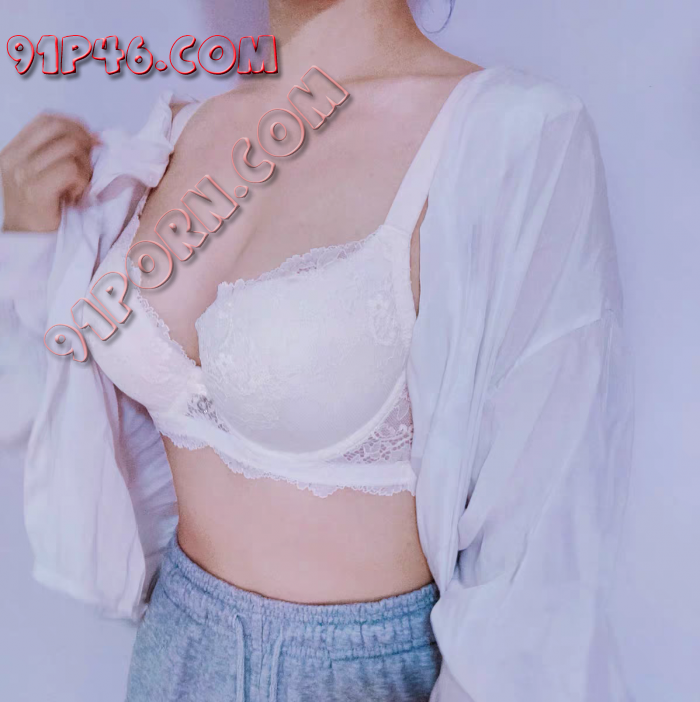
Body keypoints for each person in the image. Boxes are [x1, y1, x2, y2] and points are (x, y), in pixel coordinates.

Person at [0, 0, 635, 700]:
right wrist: (28, 249)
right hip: (172, 654)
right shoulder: (181, 135)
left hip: (366, 676)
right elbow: (51, 423)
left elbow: (541, 559)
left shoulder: (515, 138)